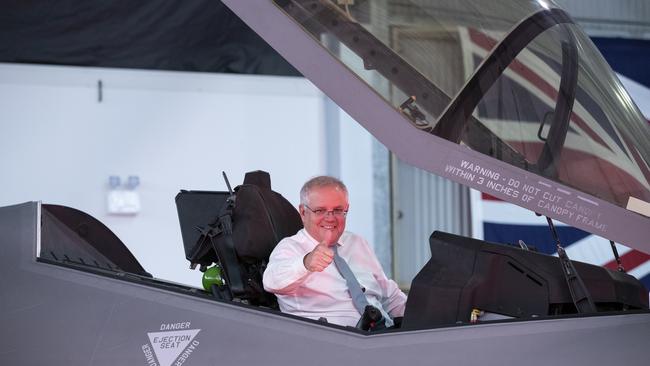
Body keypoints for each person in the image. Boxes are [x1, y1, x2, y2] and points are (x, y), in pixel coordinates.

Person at [263, 176, 407, 327]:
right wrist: (305, 263)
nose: (330, 218)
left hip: (383, 334)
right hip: (331, 343)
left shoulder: (356, 243)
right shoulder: (291, 247)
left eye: (338, 210)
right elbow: (271, 281)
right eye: (320, 211)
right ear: (303, 213)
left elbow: (389, 295)